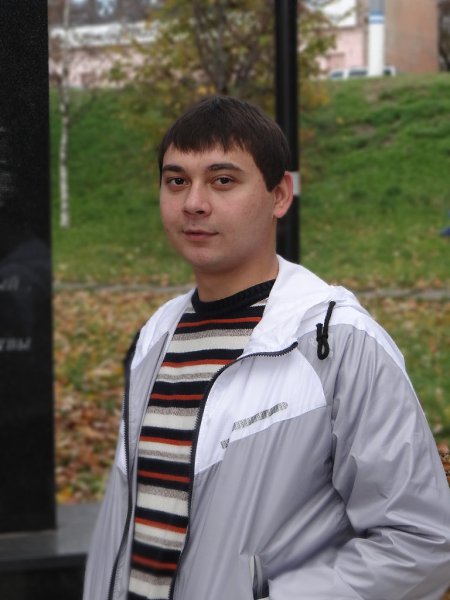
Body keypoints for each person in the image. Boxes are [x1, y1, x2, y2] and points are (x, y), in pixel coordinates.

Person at [83, 96, 450, 600]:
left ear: (279, 195)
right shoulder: (157, 336)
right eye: (177, 181)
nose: (194, 202)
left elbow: (422, 541)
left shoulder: (337, 344)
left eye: (222, 180)